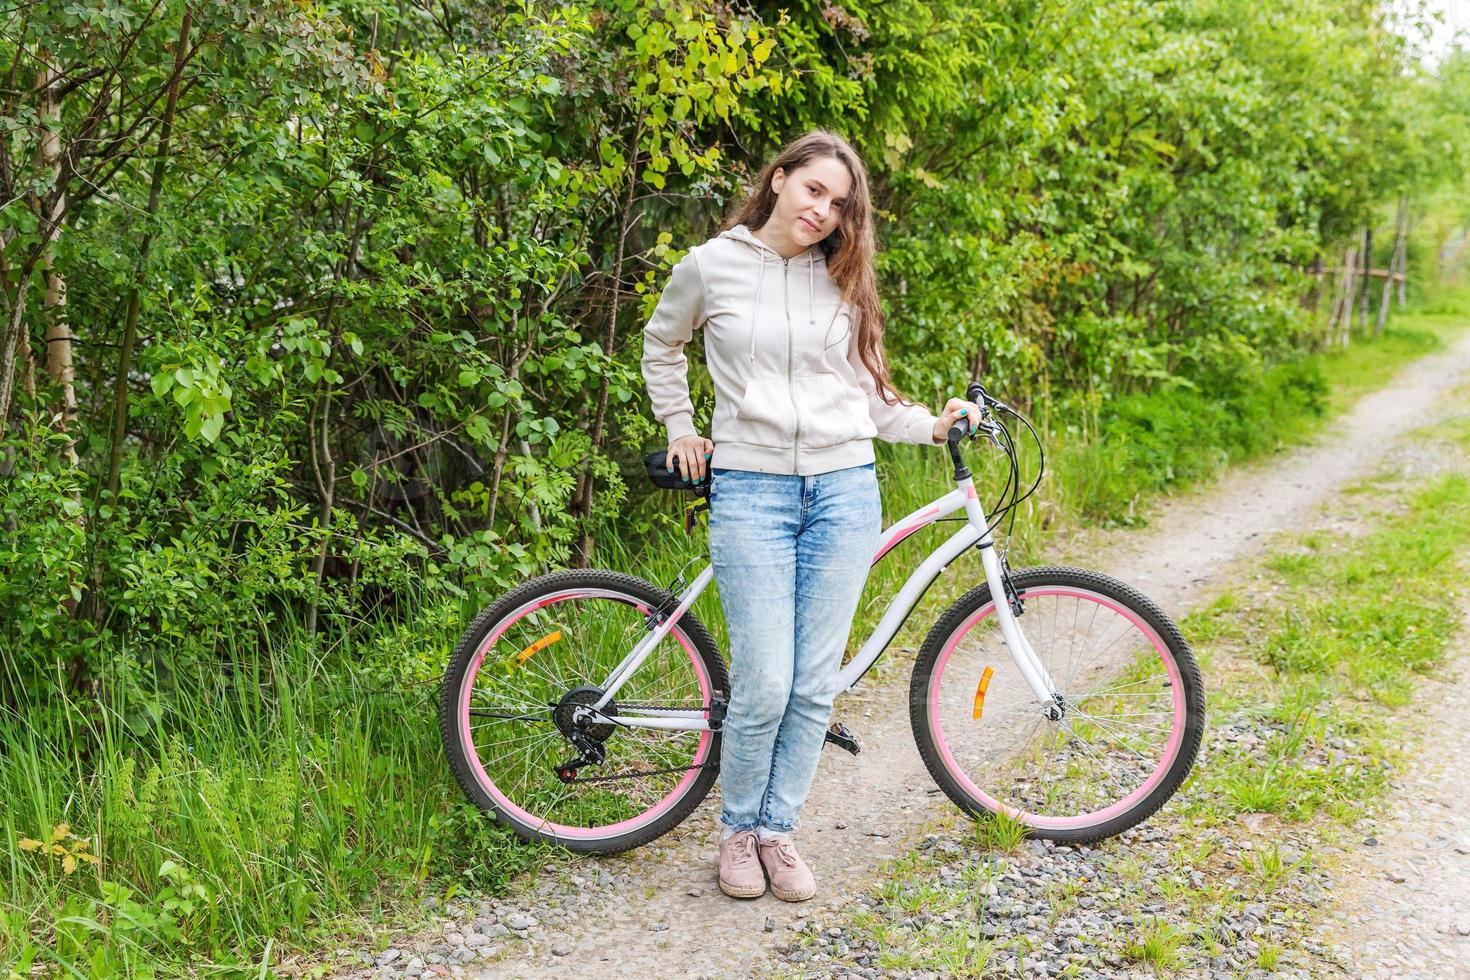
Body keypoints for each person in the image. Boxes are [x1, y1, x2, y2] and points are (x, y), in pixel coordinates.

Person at [639, 129, 981, 902]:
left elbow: (869, 394)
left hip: (844, 491)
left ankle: (776, 832)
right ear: (780, 180)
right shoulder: (712, 265)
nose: (823, 211)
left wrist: (929, 423)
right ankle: (735, 832)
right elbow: (662, 347)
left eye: (839, 203)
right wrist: (681, 427)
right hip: (751, 491)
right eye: (813, 191)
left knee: (813, 683)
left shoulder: (843, 279)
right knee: (764, 678)